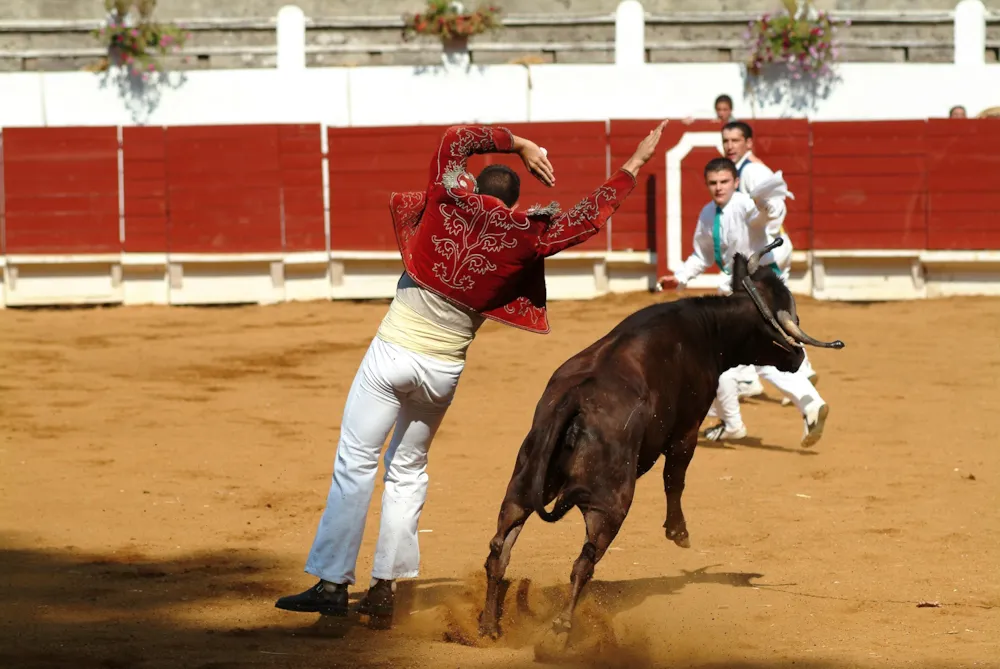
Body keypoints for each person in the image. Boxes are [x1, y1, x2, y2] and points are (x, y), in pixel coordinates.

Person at [273, 120, 669, 626]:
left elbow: (454, 141)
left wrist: (518, 143)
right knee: (407, 470)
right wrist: (633, 164)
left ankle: (332, 583)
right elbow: (588, 218)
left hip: (393, 353)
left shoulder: (447, 201)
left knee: (356, 462)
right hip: (442, 370)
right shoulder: (528, 237)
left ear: (475, 188)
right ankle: (384, 588)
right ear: (512, 201)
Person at [656, 157, 829, 447]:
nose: (718, 188)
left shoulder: (745, 205)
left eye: (724, 182)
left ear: (735, 182)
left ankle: (732, 422)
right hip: (749, 293)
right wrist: (681, 276)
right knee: (758, 358)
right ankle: (809, 403)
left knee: (717, 358)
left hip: (754, 292)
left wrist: (767, 205)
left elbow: (761, 216)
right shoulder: (708, 213)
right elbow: (703, 255)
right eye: (713, 183)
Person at [721, 120, 819, 403]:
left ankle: (781, 371)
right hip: (767, 248)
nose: (729, 146)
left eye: (735, 140)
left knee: (758, 309)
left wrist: (765, 236)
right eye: (726, 140)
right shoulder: (741, 168)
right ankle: (767, 373)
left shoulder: (752, 170)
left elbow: (777, 206)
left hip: (768, 249)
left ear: (749, 143)